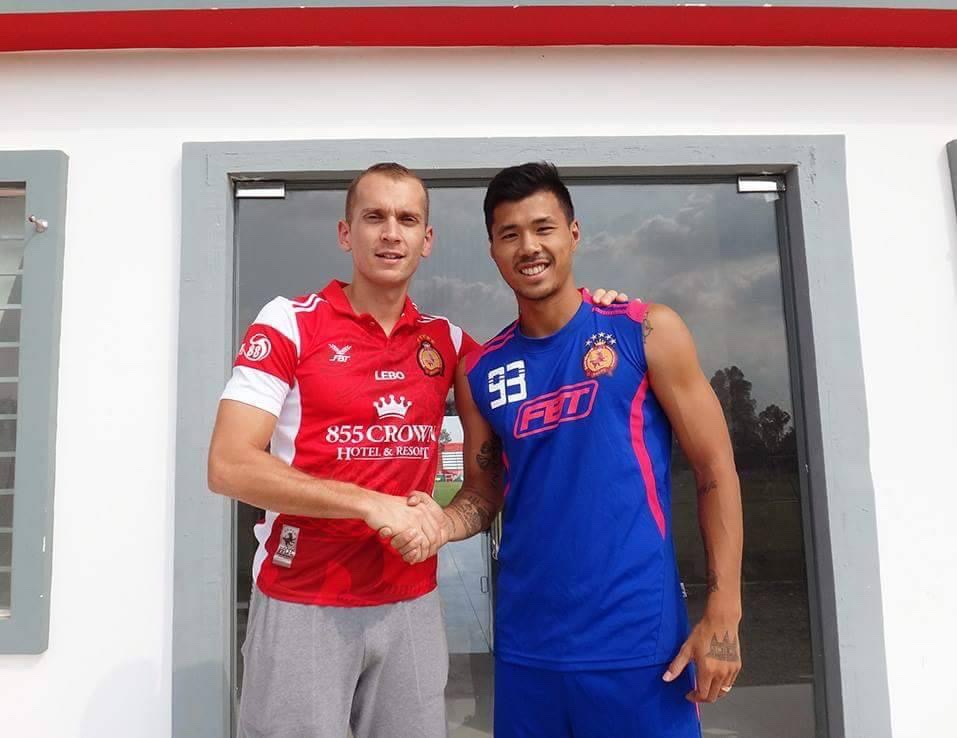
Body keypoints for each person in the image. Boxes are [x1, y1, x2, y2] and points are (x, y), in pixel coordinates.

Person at [207, 161, 627, 738]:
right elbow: (229, 465)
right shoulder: (289, 322)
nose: (390, 233)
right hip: (303, 597)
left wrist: (597, 312)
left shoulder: (446, 341)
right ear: (345, 233)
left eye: (406, 220)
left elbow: (542, 357)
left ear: (426, 240)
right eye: (374, 217)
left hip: (411, 603)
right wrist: (368, 503)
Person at [398, 162, 744, 738]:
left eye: (544, 228)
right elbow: (482, 493)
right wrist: (439, 524)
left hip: (639, 646)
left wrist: (724, 611)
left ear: (574, 233)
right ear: (492, 250)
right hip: (527, 650)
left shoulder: (645, 331)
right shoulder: (481, 370)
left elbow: (715, 471)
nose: (528, 247)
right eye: (510, 234)